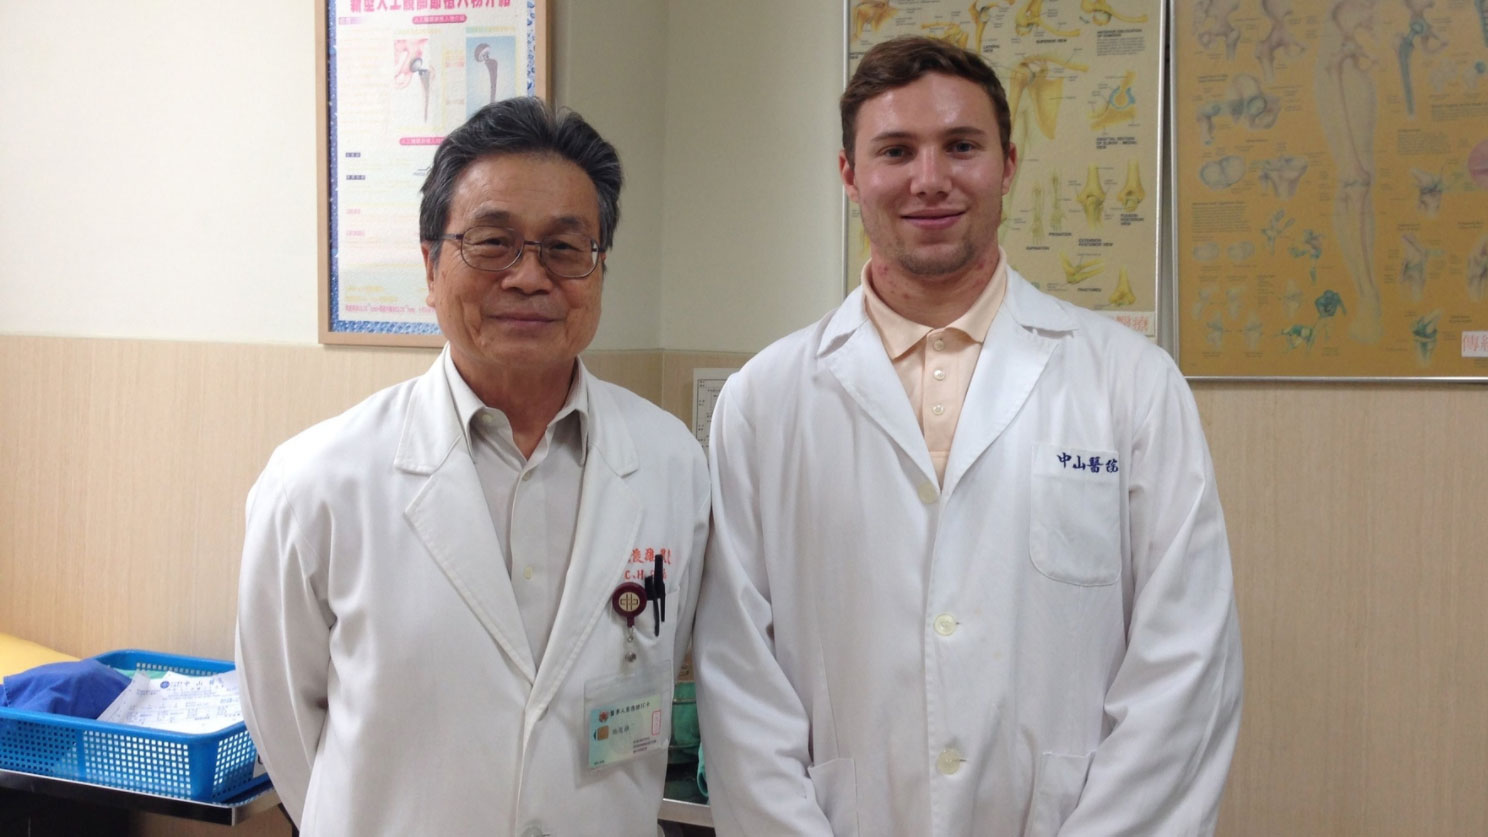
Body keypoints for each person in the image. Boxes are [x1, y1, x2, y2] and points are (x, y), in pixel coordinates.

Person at [694, 36, 1242, 836]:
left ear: (1009, 164)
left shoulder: (1132, 383)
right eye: (895, 151)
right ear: (849, 175)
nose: (930, 179)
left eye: (961, 146)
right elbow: (740, 685)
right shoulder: (764, 400)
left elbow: (1186, 667)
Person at [236, 98, 708, 836]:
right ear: (431, 265)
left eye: (564, 247)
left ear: (600, 267)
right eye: (493, 243)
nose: (529, 277)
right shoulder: (318, 482)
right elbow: (286, 727)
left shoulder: (673, 461)